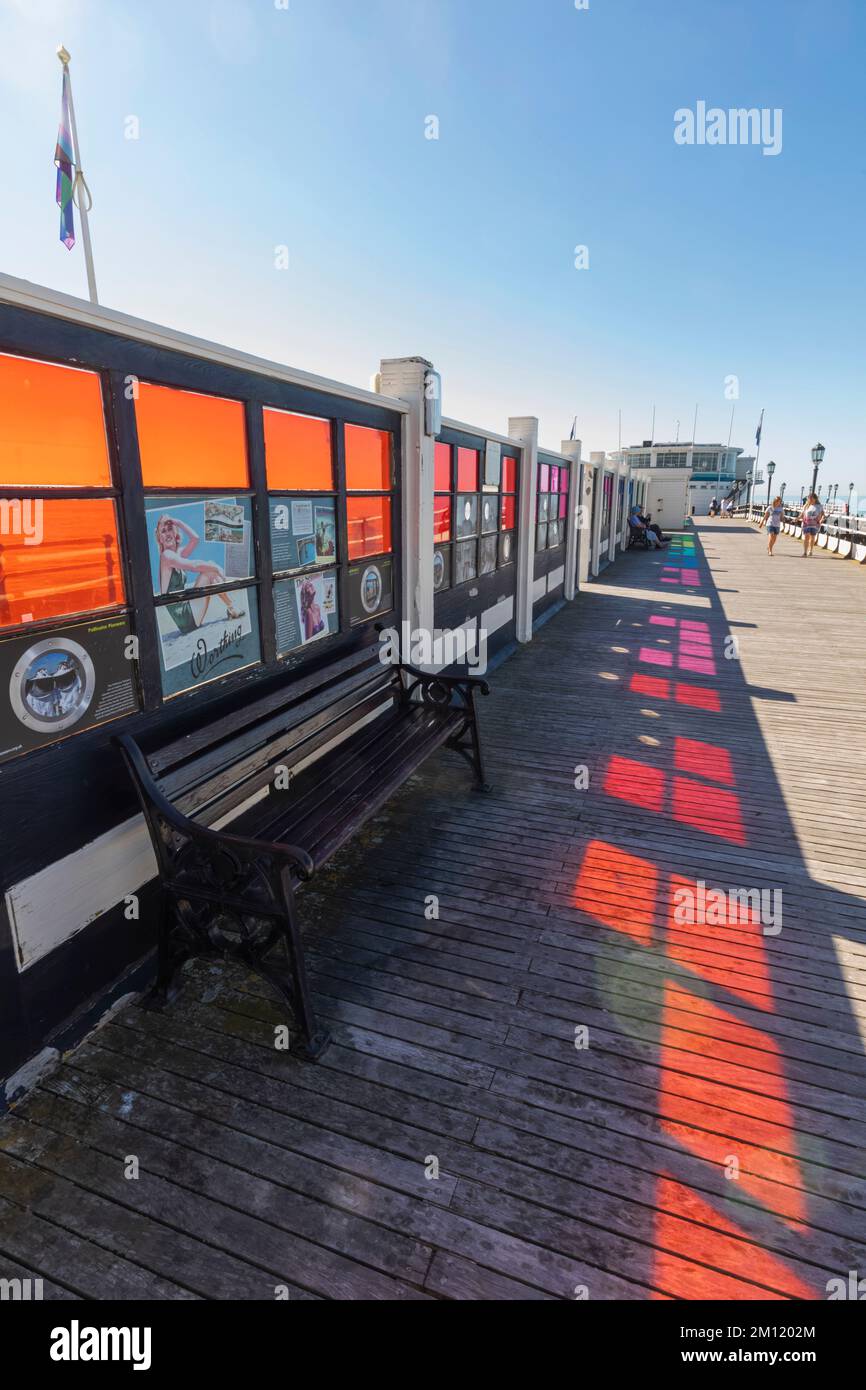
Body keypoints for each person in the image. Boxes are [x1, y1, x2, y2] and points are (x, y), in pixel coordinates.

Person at [156, 515, 245, 633]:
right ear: (160, 539)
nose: (167, 533)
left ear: (175, 533)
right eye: (163, 531)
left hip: (188, 611)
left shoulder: (177, 553)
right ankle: (232, 608)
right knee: (209, 570)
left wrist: (178, 522)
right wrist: (217, 568)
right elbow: (194, 566)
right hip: (185, 617)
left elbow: (195, 539)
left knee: (209, 569)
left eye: (170, 529)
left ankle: (231, 608)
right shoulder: (166, 556)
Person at [799, 493, 825, 558]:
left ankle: (810, 550)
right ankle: (805, 552)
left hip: (815, 524)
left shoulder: (819, 506)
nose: (810, 499)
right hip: (806, 524)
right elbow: (802, 514)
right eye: (809, 498)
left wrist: (821, 519)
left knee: (812, 537)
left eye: (811, 498)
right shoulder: (806, 506)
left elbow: (823, 515)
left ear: (815, 499)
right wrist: (797, 518)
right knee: (806, 537)